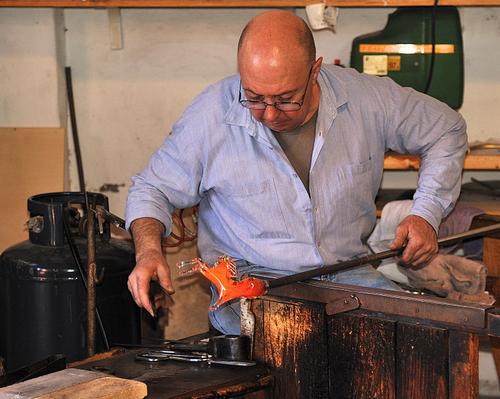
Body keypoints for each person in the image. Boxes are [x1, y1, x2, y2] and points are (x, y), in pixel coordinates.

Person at [125, 10, 467, 334]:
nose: (270, 115)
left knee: (415, 340)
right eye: (254, 98)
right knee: (293, 353)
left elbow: (446, 129)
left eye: (287, 98)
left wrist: (426, 214)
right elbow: (152, 189)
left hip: (346, 272)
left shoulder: (366, 98)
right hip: (253, 282)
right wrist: (149, 252)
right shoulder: (211, 114)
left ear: (314, 71)